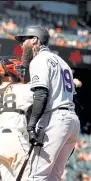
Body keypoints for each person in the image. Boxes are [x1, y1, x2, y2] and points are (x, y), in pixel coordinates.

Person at [15, 25, 80, 181]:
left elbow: (41, 94)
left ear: (35, 41)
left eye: (24, 40)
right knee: (53, 177)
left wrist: (31, 126)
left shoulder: (39, 59)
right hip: (72, 121)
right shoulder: (62, 62)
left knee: (36, 176)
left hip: (55, 119)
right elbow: (73, 95)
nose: (21, 45)